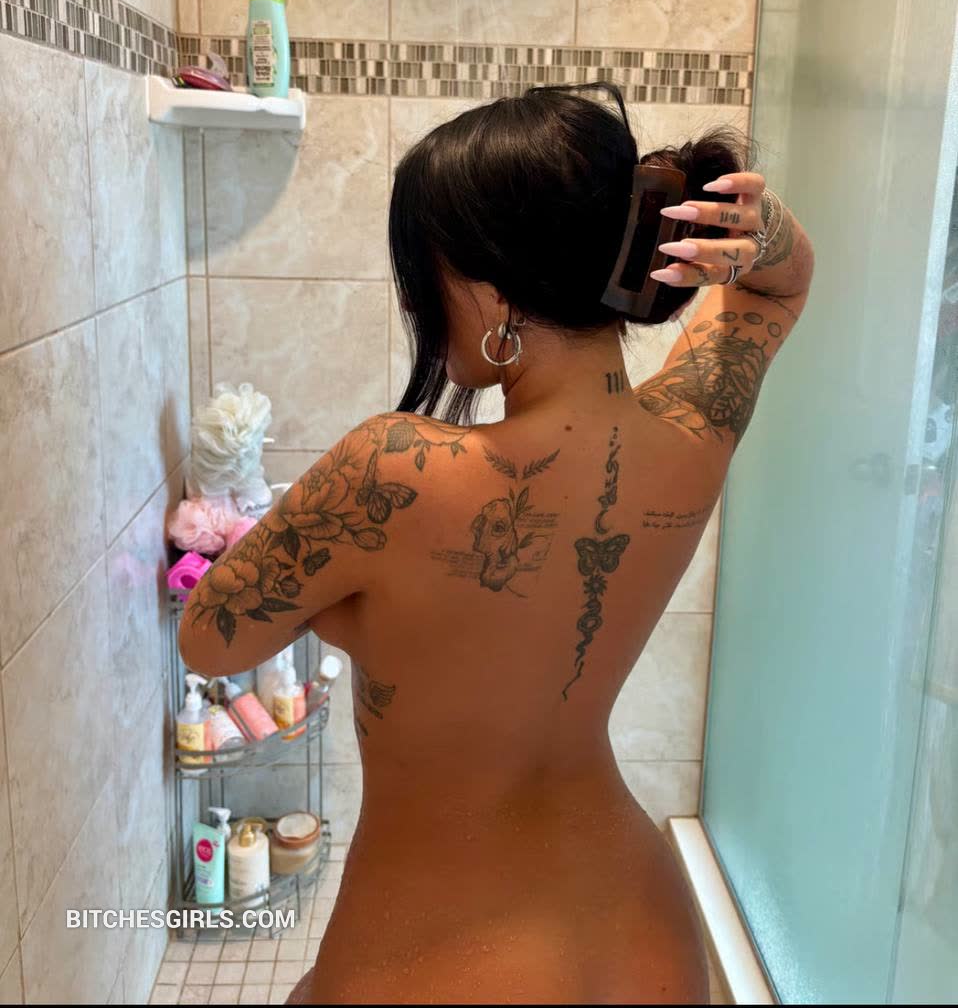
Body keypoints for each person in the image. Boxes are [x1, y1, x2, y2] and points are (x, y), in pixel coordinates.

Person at [180, 83, 814, 1004]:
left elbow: (209, 636)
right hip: (646, 936)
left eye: (422, 276)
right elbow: (780, 284)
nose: (419, 305)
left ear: (491, 290)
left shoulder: (393, 470)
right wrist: (758, 225)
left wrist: (361, 612)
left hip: (438, 953)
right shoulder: (692, 429)